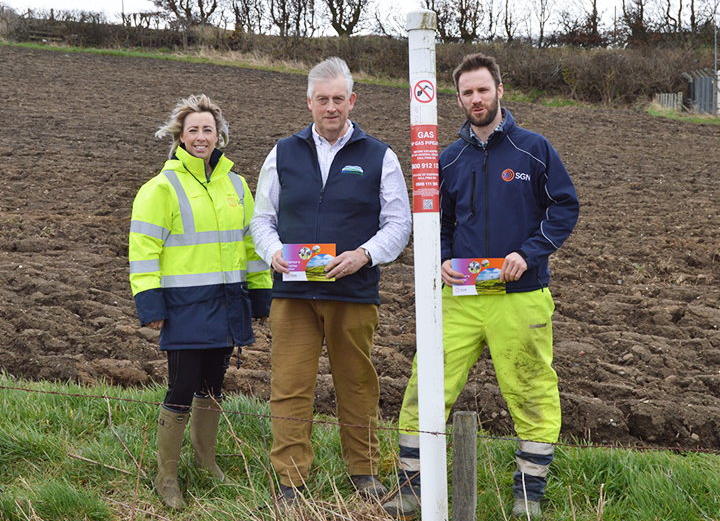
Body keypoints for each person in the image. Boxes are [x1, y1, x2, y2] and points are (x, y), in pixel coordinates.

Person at [382, 53, 579, 519]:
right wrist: (445, 258)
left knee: (532, 392)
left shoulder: (535, 148)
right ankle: (411, 491)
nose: (476, 99)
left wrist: (527, 253)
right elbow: (440, 222)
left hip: (521, 295)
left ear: (499, 91)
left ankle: (527, 499)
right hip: (462, 297)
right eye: (467, 92)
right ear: (459, 98)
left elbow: (564, 207)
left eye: (483, 90)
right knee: (425, 387)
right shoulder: (448, 159)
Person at [250, 57, 412, 506]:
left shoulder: (380, 155)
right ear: (309, 102)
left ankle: (363, 471)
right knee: (289, 384)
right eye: (322, 99)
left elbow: (399, 224)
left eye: (339, 99)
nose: (331, 107)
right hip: (293, 293)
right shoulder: (282, 152)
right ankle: (290, 479)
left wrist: (364, 255)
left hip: (353, 292)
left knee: (358, 382)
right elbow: (261, 219)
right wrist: (274, 253)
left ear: (352, 100)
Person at [129, 94, 272, 510]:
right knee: (181, 387)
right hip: (186, 307)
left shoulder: (236, 184)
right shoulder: (161, 187)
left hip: (227, 304)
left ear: (218, 134)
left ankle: (206, 463)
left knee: (213, 385)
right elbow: (143, 249)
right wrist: (151, 305)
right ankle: (166, 477)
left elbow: (251, 244)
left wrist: (260, 293)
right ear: (180, 135)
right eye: (192, 130)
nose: (200, 136)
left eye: (207, 129)